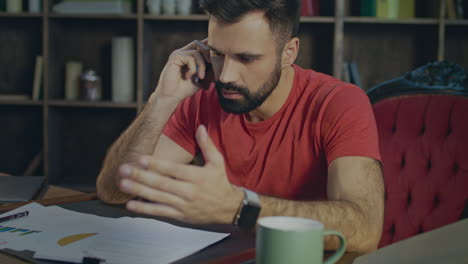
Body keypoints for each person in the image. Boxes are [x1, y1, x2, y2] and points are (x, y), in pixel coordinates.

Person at [96, 0, 384, 253]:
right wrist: (161, 100)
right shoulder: (201, 96)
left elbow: (365, 229)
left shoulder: (339, 103)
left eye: (246, 58)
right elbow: (116, 191)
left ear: (289, 52)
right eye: (217, 54)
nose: (226, 76)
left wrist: (240, 207)